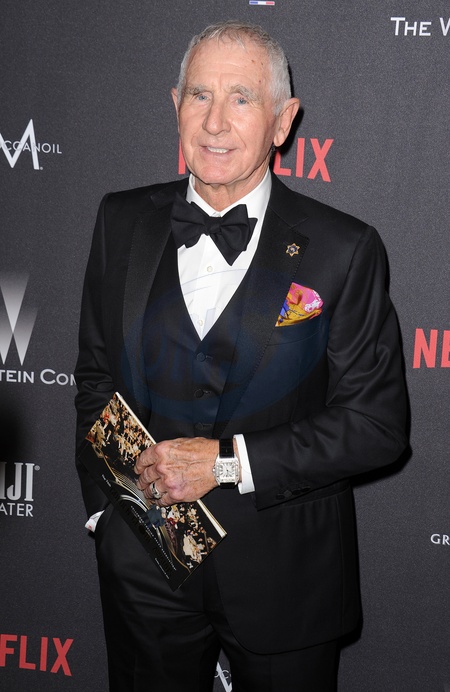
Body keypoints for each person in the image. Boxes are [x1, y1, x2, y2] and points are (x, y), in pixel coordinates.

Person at [74, 20, 407, 692]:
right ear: (176, 106)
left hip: (286, 578)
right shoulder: (120, 221)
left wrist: (227, 463)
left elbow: (376, 426)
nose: (215, 122)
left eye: (242, 99)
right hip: (145, 568)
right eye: (200, 96)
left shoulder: (343, 249)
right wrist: (111, 515)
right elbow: (95, 377)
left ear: (283, 121)